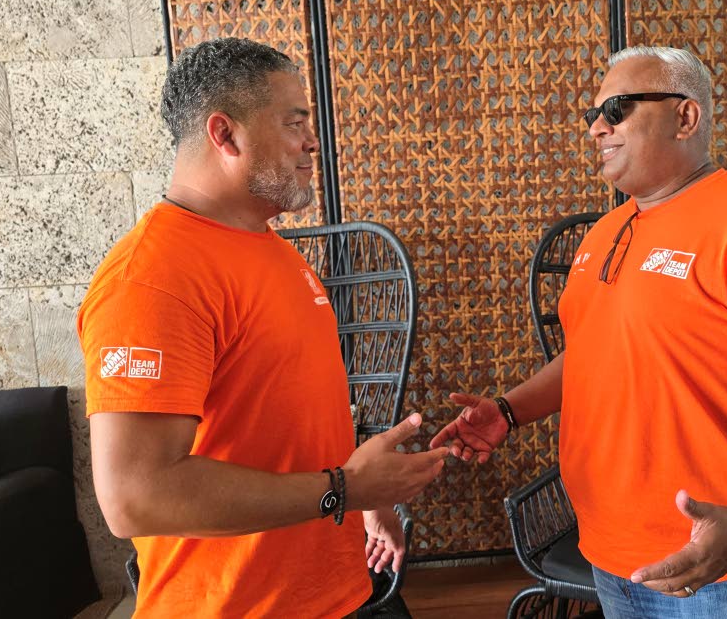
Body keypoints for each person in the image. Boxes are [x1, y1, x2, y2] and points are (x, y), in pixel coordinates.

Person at [431, 46, 727, 618]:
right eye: (592, 115)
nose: (597, 127)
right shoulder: (603, 234)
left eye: (617, 107)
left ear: (686, 117)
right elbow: (590, 356)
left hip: (720, 563)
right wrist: (509, 411)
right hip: (610, 550)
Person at [78, 37, 449, 618]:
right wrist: (346, 488)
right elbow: (135, 497)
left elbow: (270, 414)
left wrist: (359, 495)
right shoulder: (152, 278)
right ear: (225, 135)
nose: (312, 141)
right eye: (294, 121)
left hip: (336, 589)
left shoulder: (268, 245)